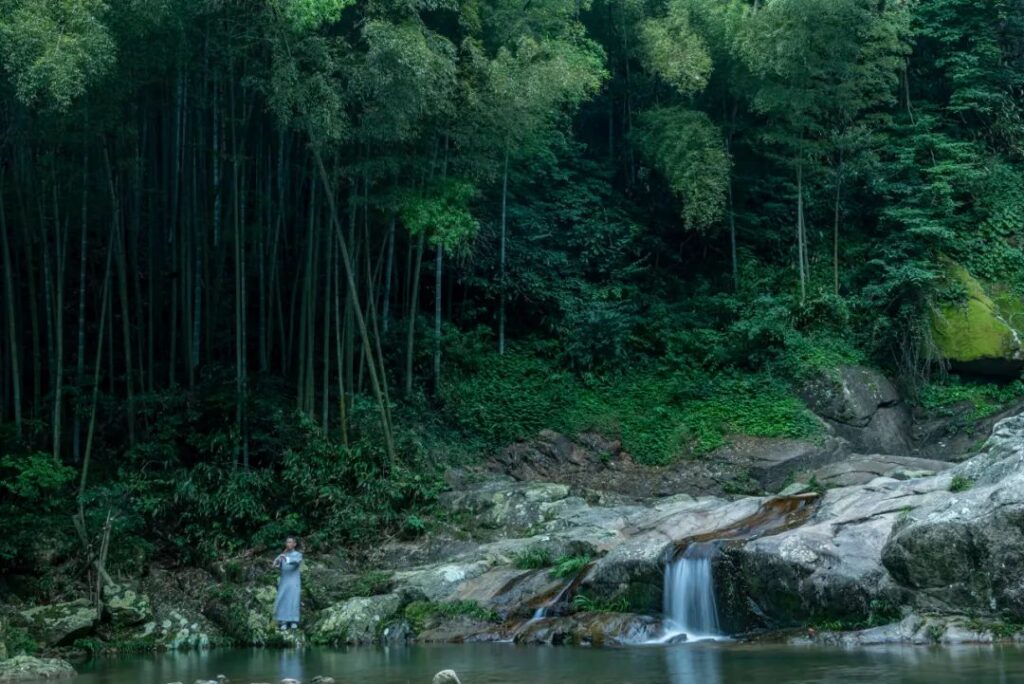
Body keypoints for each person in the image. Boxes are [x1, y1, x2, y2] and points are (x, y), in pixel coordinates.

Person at [272, 536, 303, 630]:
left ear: (294, 544)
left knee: (293, 599)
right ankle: (283, 621)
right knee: (282, 599)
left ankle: (293, 621)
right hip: (284, 581)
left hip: (294, 582)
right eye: (287, 542)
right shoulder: (282, 555)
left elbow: (295, 562)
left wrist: (285, 558)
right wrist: (277, 560)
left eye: (290, 542)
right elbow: (275, 565)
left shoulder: (298, 554)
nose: (288, 544)